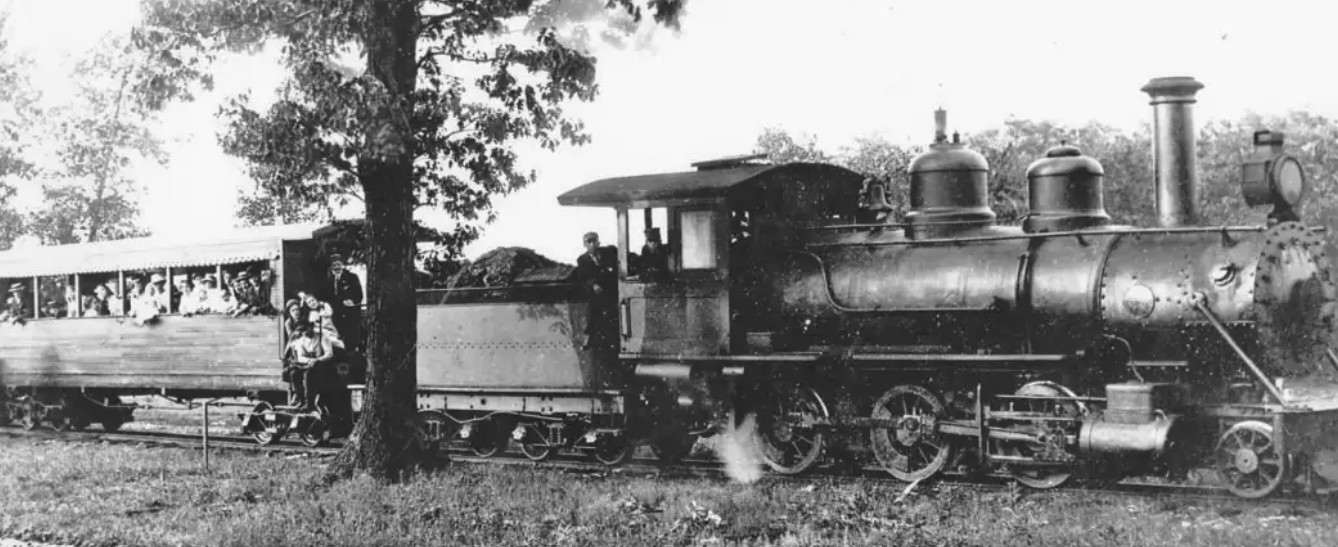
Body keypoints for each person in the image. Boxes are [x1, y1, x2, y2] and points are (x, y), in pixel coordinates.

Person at [575, 232, 618, 350]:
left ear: (598, 242)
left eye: (594, 241)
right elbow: (583, 278)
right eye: (589, 242)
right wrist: (593, 284)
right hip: (596, 294)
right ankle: (589, 338)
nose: (592, 244)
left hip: (610, 291)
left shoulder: (607, 252)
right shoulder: (582, 260)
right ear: (584, 244)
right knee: (594, 312)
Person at [283, 320, 333, 411]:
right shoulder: (301, 340)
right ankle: (301, 400)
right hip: (306, 365)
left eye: (305, 330)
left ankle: (309, 403)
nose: (304, 333)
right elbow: (300, 357)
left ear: (311, 328)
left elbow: (329, 354)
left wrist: (317, 360)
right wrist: (309, 360)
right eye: (302, 331)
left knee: (308, 374)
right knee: (294, 374)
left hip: (321, 367)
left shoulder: (322, 337)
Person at [324, 254, 364, 352]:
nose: (337, 267)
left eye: (338, 264)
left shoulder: (352, 277)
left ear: (342, 265)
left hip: (350, 314)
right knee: (338, 340)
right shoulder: (329, 280)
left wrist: (353, 301)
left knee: (351, 339)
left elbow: (359, 295)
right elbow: (326, 297)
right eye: (334, 265)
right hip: (335, 315)